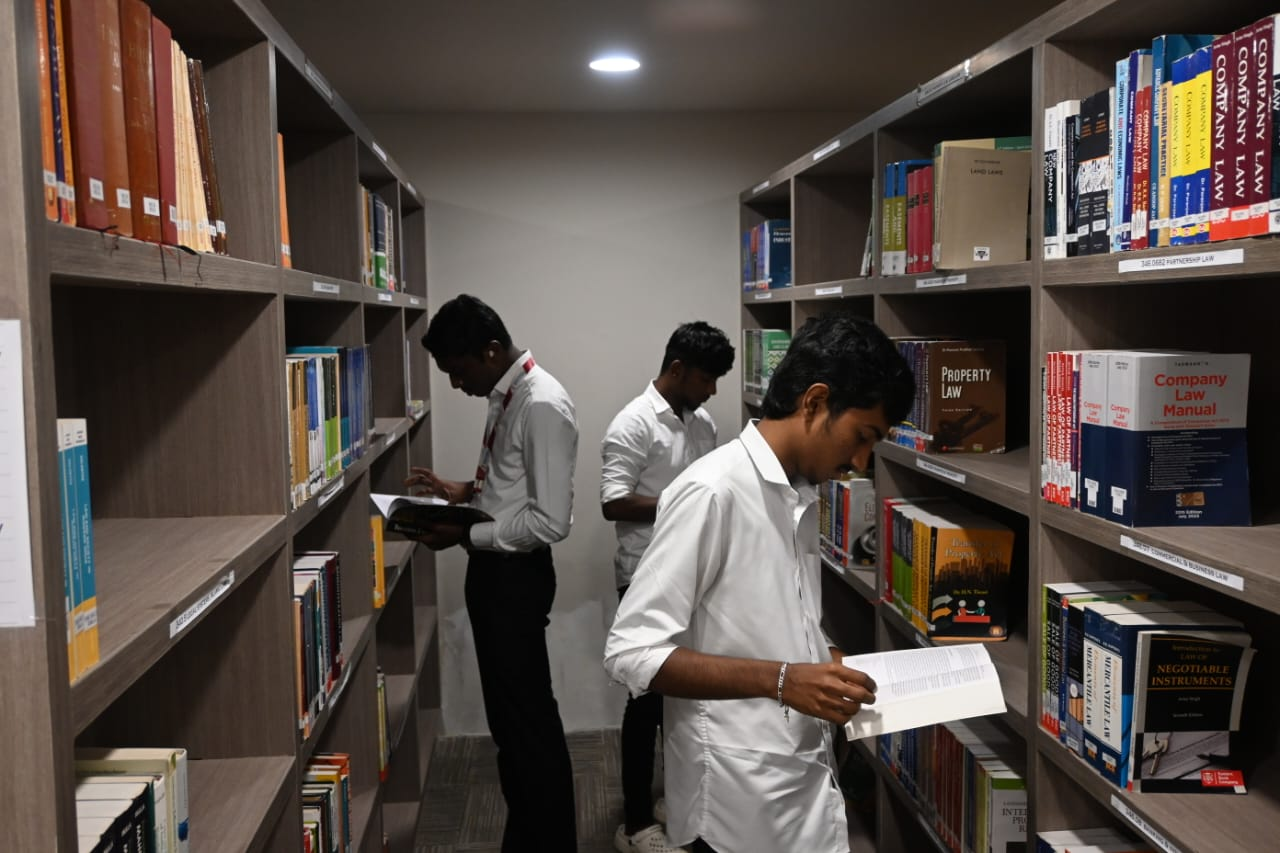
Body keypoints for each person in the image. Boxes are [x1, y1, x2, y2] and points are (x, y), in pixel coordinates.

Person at [604, 314, 914, 853]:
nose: (860, 461)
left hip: (793, 783)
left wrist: (825, 659)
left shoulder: (798, 493)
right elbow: (631, 652)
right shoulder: (712, 492)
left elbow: (768, 616)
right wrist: (784, 679)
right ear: (815, 402)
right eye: (862, 437)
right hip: (734, 803)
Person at [406, 293, 578, 852]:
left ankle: (548, 841)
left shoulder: (541, 403)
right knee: (511, 726)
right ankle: (527, 834)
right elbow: (512, 487)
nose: (456, 385)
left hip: (515, 580)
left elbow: (550, 521)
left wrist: (465, 534)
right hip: (496, 574)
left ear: (491, 350)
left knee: (529, 726)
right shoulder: (507, 393)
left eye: (458, 371)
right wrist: (463, 493)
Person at [601, 321, 735, 853]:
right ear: (677, 369)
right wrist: (685, 501)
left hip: (696, 575)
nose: (713, 390)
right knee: (645, 702)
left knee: (685, 702)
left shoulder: (703, 424)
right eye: (706, 378)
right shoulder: (633, 424)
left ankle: (673, 798)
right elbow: (613, 501)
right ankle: (634, 823)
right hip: (644, 576)